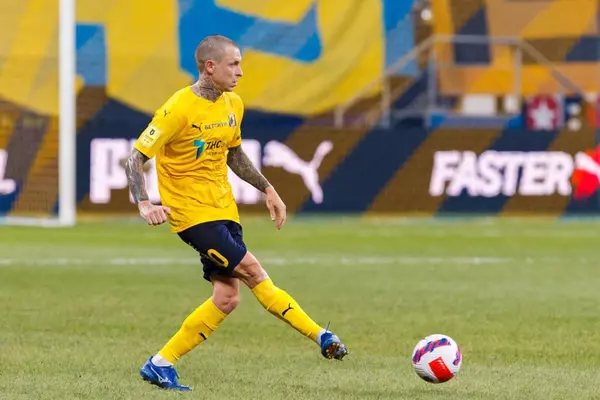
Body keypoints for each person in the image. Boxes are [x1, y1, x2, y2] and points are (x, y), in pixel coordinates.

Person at [124, 35, 348, 392]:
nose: (240, 72)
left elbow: (234, 154)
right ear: (210, 67)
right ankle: (321, 335)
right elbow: (135, 158)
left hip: (224, 209)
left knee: (227, 297)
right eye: (234, 64)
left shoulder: (233, 104)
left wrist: (268, 188)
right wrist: (145, 203)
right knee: (254, 272)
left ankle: (160, 364)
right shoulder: (178, 108)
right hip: (192, 215)